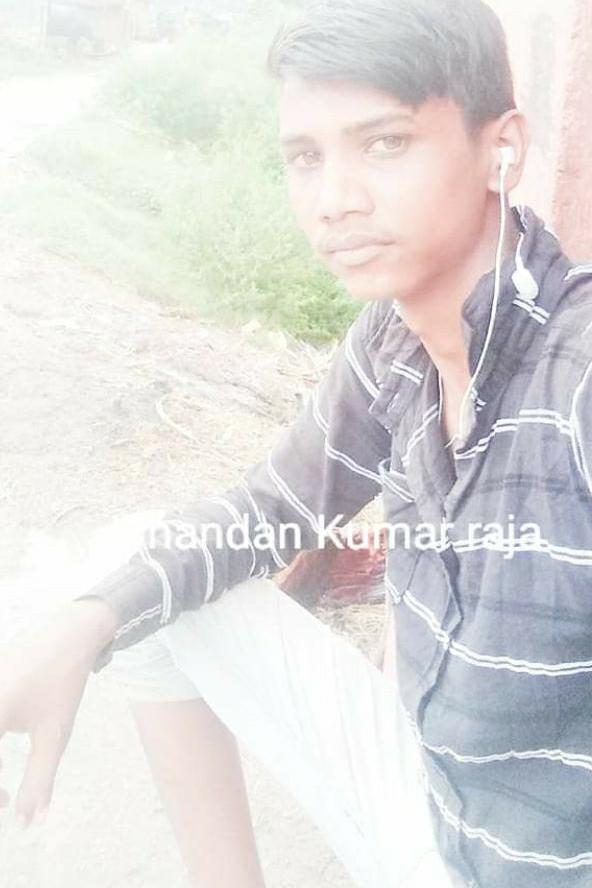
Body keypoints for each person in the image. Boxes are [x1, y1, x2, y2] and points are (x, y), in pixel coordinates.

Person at [1, 1, 592, 886]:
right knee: (136, 579)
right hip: (428, 803)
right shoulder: (392, 344)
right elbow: (268, 510)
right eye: (306, 158)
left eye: (385, 143)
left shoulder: (575, 377)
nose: (335, 200)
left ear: (500, 147)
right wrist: (86, 622)